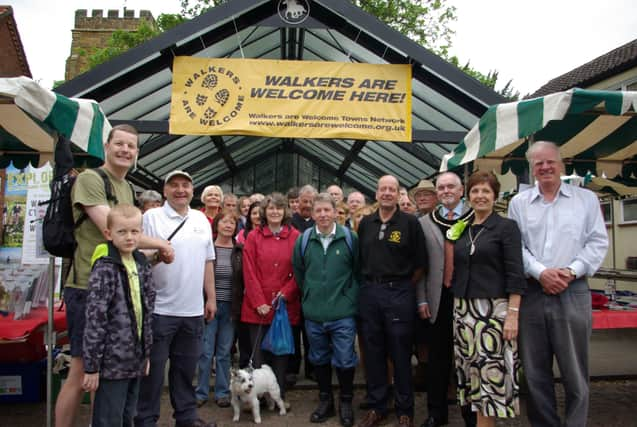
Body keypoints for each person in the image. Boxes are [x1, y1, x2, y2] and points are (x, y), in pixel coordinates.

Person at [56, 124, 174, 427]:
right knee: (81, 371)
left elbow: (127, 244)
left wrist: (151, 257)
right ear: (106, 146)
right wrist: (160, 243)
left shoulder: (125, 187)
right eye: (119, 144)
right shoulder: (89, 180)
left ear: (137, 153)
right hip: (87, 287)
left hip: (121, 292)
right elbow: (114, 231)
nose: (125, 150)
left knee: (106, 378)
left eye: (131, 146)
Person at [508, 141, 608, 427]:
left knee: (575, 371)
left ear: (561, 164)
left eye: (550, 161)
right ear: (532, 168)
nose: (545, 167)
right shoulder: (519, 203)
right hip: (533, 293)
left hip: (573, 291)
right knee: (535, 373)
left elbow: (597, 242)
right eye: (538, 163)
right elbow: (517, 248)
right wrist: (541, 273)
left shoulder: (585, 199)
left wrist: (570, 271)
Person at [135, 170, 217, 427]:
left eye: (185, 186)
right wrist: (159, 252)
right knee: (153, 373)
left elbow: (207, 262)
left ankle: (186, 417)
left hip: (192, 311)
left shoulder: (201, 219)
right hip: (159, 309)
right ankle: (146, 419)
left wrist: (211, 298)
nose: (180, 190)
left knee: (185, 371)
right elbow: (138, 256)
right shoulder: (151, 217)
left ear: (193, 191)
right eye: (174, 186)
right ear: (165, 191)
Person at [451, 171, 526, 426]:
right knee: (472, 375)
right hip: (463, 311)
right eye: (475, 191)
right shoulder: (463, 228)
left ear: (495, 196)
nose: (480, 196)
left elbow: (516, 274)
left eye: (485, 191)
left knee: (489, 378)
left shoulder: (506, 227)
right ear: (468, 195)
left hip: (493, 313)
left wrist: (513, 315)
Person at [357, 175, 427, 427]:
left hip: (399, 293)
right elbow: (360, 261)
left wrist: (402, 288)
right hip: (370, 294)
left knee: (400, 353)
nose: (387, 193)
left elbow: (421, 264)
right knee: (374, 353)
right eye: (382, 189)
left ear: (398, 194)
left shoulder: (409, 223)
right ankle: (378, 406)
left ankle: (404, 409)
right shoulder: (366, 223)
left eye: (392, 189)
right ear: (376, 194)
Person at [82, 204, 155, 427]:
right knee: (109, 418)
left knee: (127, 415)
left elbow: (147, 313)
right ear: (108, 233)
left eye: (134, 231)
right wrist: (92, 366)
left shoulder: (141, 264)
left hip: (135, 358)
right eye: (122, 232)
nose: (129, 237)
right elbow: (95, 318)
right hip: (112, 362)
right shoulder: (105, 268)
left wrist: (146, 353)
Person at [292, 193, 360, 427]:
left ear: (335, 212)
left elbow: (357, 271)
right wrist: (310, 296)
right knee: (318, 358)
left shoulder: (349, 238)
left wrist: (349, 297)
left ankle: (346, 402)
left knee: (344, 359)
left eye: (327, 210)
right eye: (318, 211)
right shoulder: (303, 240)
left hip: (343, 312)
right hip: (314, 313)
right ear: (312, 214)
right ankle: (325, 400)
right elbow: (299, 273)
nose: (322, 215)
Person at [418, 171, 476, 427]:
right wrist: (421, 300)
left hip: (469, 298)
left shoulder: (476, 217)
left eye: (451, 186)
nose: (446, 191)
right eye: (441, 188)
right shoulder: (425, 222)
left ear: (461, 190)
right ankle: (436, 412)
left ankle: (472, 414)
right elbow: (421, 266)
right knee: (437, 360)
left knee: (469, 359)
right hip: (437, 299)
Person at [241, 192, 301, 405]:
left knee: (281, 354)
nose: (275, 211)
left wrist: (287, 291)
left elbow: (300, 269)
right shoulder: (253, 237)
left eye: (279, 207)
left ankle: (278, 395)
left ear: (285, 211)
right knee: (258, 357)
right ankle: (259, 399)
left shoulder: (295, 236)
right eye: (271, 208)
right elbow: (248, 271)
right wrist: (259, 302)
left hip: (284, 305)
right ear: (265, 212)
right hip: (257, 307)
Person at [196, 209, 238, 408]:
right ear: (216, 225)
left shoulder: (239, 251)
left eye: (232, 222)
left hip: (230, 307)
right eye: (224, 222)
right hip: (208, 306)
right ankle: (201, 392)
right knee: (205, 351)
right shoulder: (207, 248)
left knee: (224, 352)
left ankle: (223, 392)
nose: (228, 225)